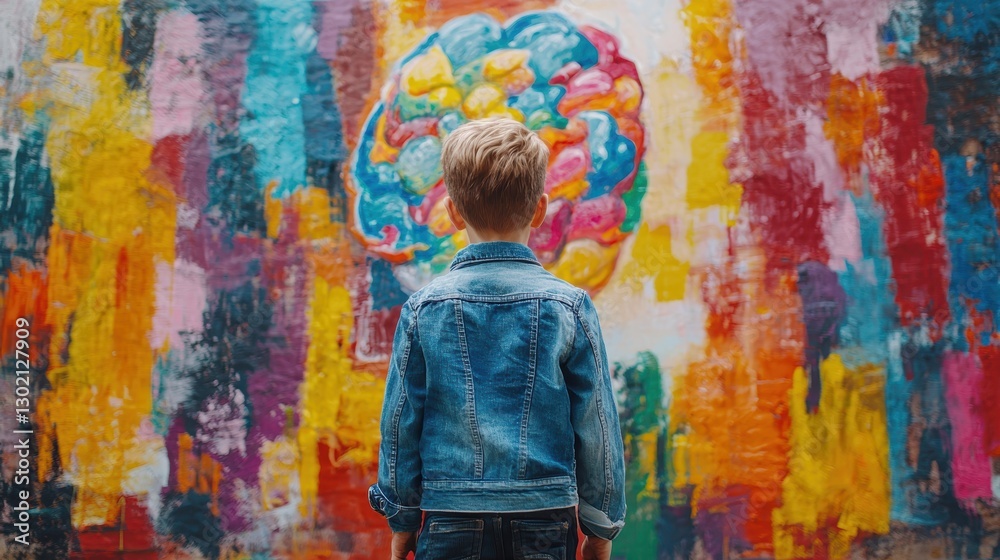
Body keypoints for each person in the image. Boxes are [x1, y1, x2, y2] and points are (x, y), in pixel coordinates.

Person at [368, 118, 626, 560]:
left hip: (451, 517)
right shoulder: (569, 307)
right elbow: (597, 423)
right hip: (545, 518)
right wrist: (601, 526)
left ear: (453, 213)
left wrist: (403, 517)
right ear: (540, 210)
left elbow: (400, 423)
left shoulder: (423, 309)